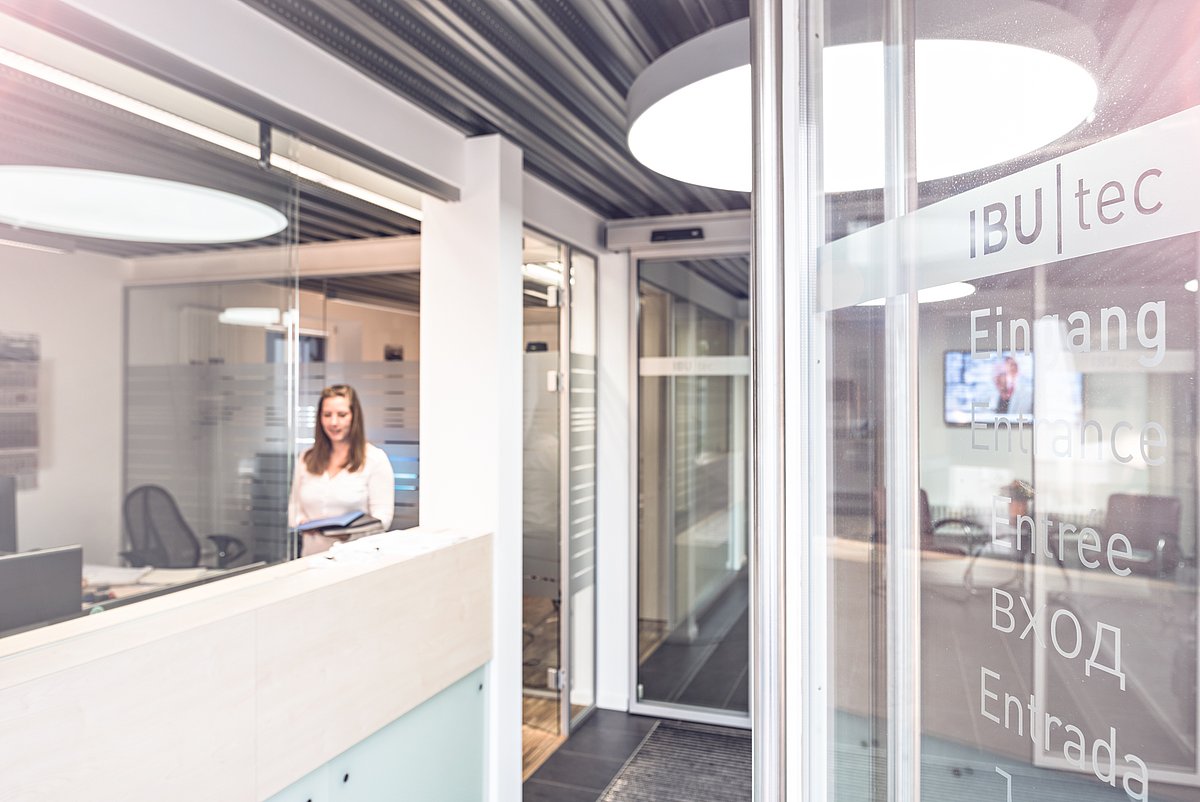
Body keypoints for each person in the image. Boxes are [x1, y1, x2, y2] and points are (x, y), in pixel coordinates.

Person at [288, 384, 394, 555]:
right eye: (327, 415)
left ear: (354, 417)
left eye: (342, 415)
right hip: (311, 558)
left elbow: (383, 519)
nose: (333, 422)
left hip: (355, 558)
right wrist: (300, 522)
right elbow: (294, 506)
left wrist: (348, 533)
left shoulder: (375, 459)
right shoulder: (306, 458)